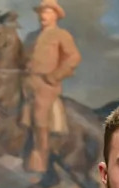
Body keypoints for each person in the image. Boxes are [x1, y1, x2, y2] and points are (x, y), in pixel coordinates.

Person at [21, 0, 81, 173]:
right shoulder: (31, 36)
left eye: (47, 12)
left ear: (56, 15)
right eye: (40, 12)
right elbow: (23, 58)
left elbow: (73, 58)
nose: (42, 16)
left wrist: (54, 76)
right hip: (26, 81)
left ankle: (40, 158)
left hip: (47, 84)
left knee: (40, 114)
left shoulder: (61, 35)